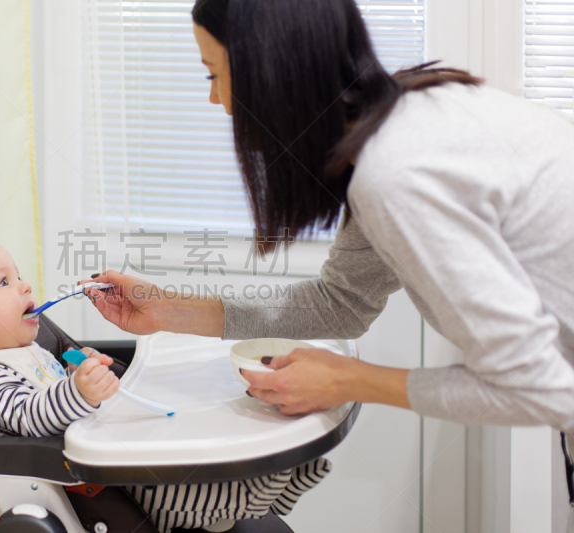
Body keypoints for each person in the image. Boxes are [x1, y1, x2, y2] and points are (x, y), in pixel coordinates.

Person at [83, 0, 574, 523]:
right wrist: (169, 311)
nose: (215, 100)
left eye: (216, 75)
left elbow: (542, 389)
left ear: (272, 73)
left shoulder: (398, 172)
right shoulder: (403, 118)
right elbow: (341, 301)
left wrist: (349, 379)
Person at [0, 235, 332, 533]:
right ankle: (243, 499)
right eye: (4, 282)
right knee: (197, 486)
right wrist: (78, 392)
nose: (24, 285)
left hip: (115, 447)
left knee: (229, 458)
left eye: (17, 275)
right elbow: (28, 417)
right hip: (111, 482)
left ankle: (266, 484)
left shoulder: (18, 350)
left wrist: (75, 369)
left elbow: (46, 390)